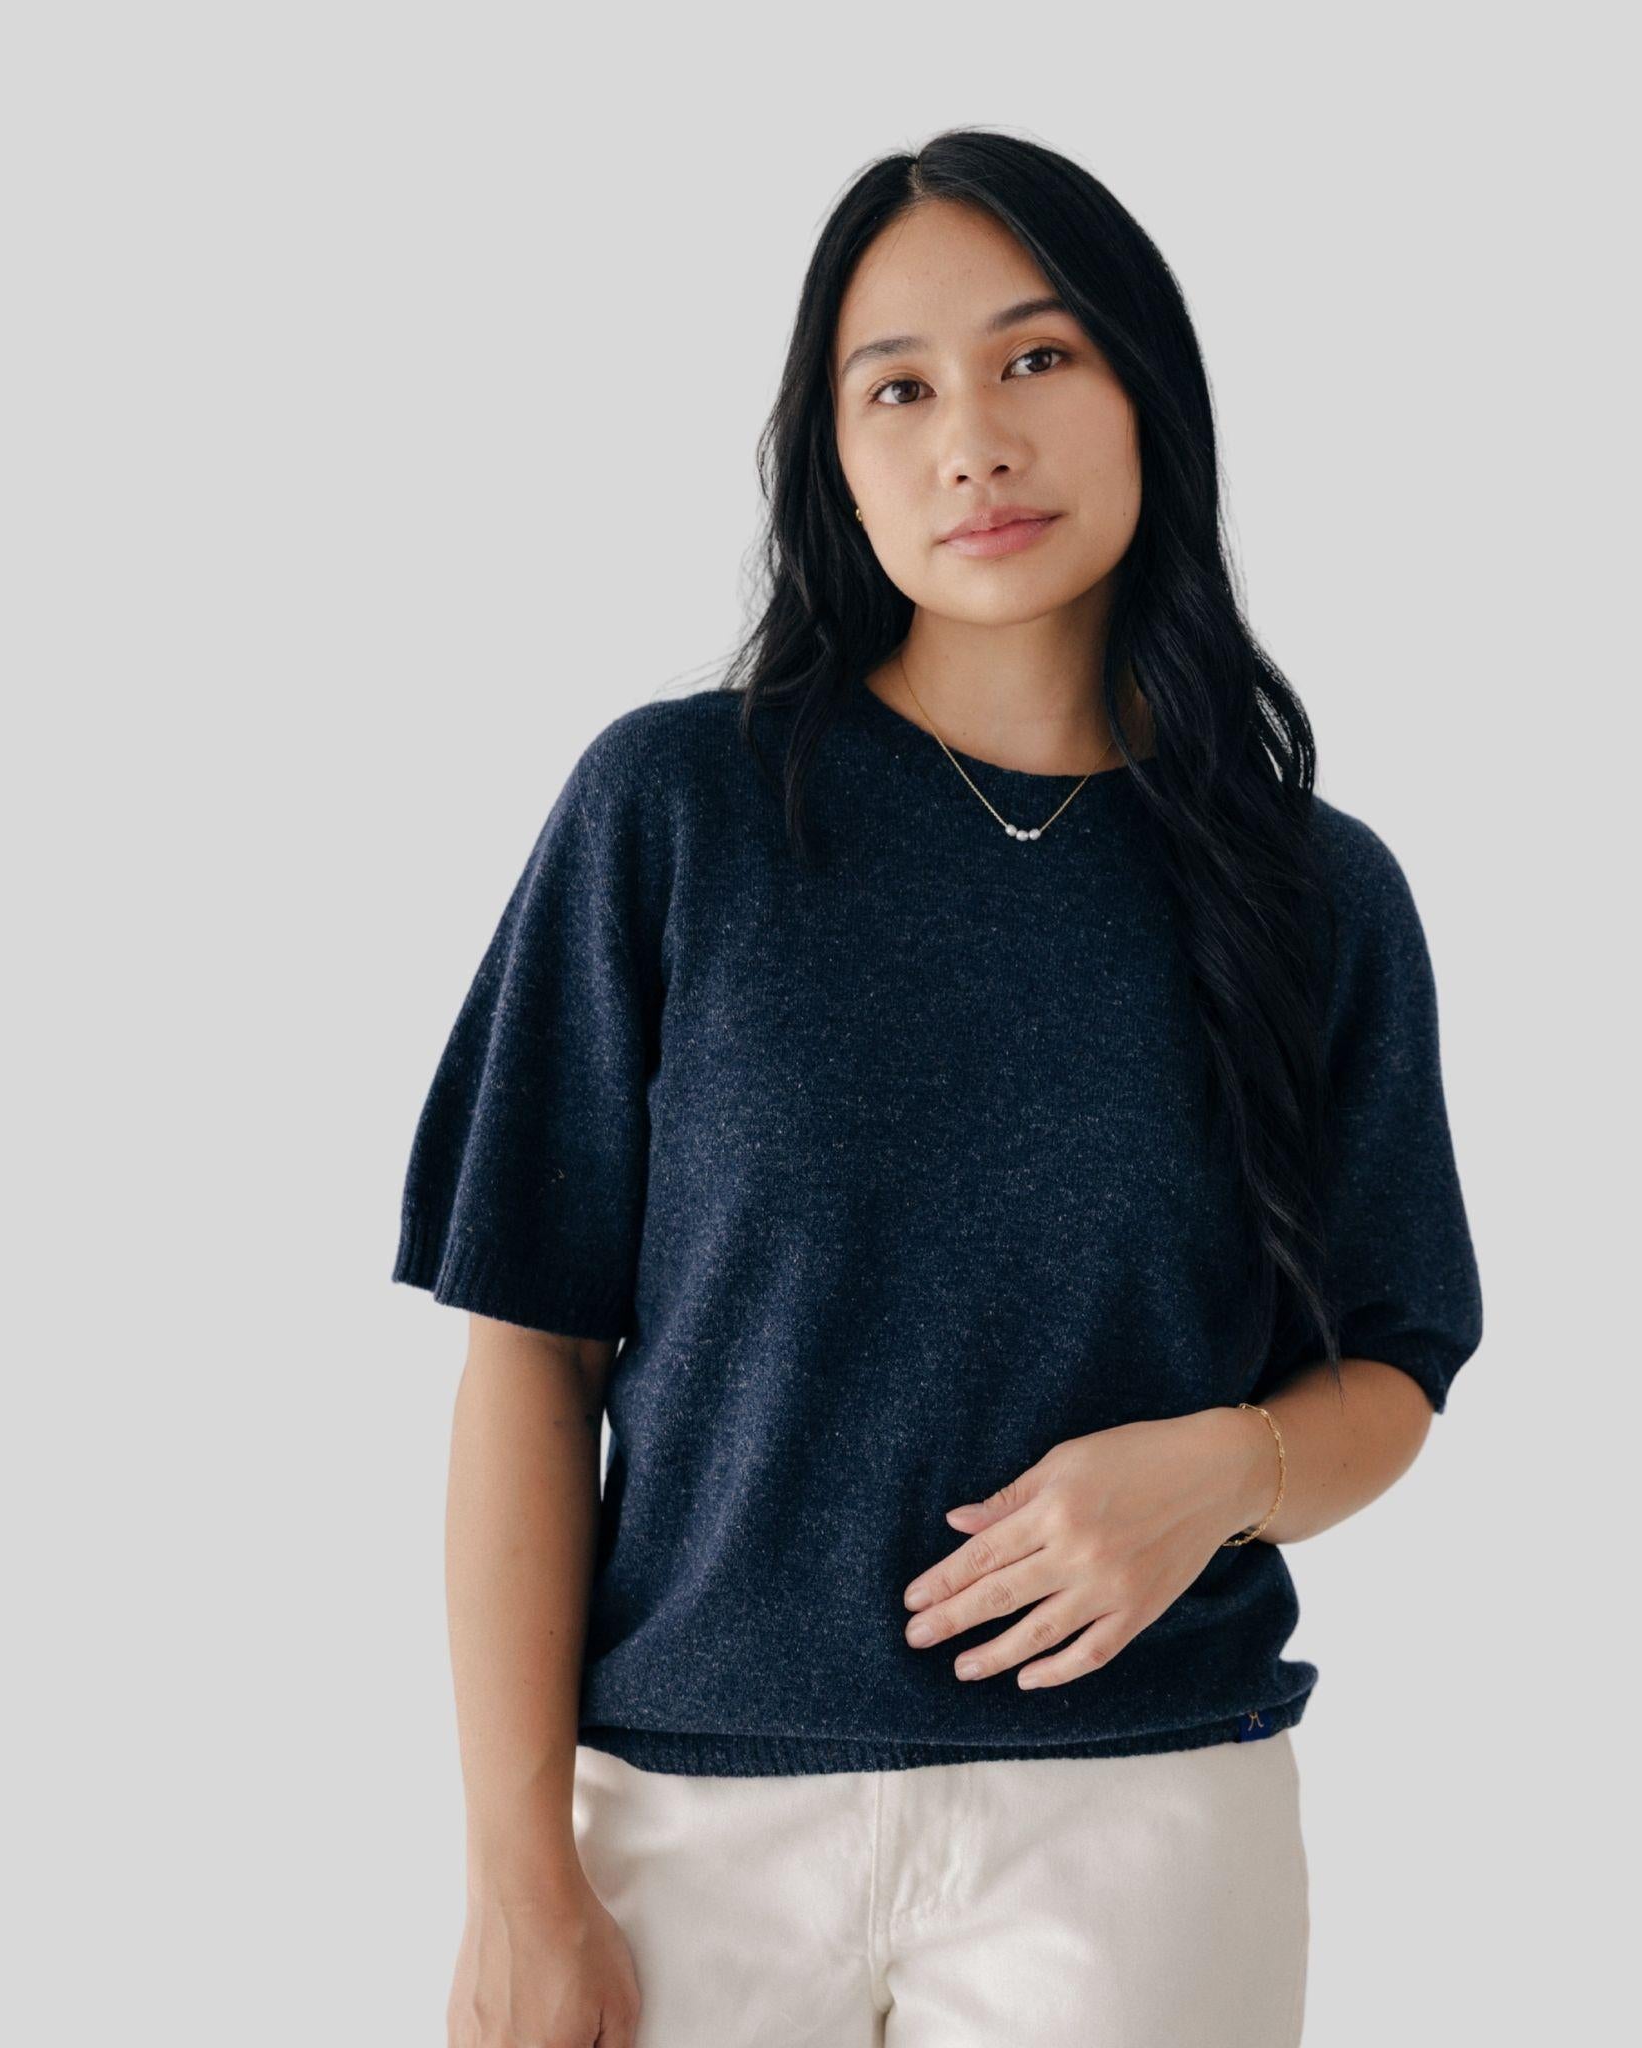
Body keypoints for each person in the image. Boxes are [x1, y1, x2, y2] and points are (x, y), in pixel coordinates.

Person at [392, 127, 1482, 2048]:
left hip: (1143, 1822)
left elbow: (1395, 1365)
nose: (972, 435)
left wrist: (1225, 1472)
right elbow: (526, 1360)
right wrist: (516, 1876)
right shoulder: (676, 812)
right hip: (683, 1823)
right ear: (837, 460)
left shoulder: (1317, 896)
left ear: (1149, 389)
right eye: (896, 387)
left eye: (1037, 358)